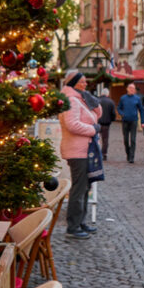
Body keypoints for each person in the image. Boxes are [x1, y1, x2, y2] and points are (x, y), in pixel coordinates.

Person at [58, 70, 102, 240]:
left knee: (85, 187)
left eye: (85, 81)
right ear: (74, 83)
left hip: (85, 150)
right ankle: (73, 226)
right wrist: (93, 130)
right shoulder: (71, 100)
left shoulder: (79, 99)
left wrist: (94, 103)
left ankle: (80, 221)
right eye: (82, 82)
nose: (85, 84)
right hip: (78, 151)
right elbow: (72, 124)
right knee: (79, 187)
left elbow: (97, 115)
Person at [117, 83, 142, 164]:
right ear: (127, 89)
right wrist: (122, 113)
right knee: (126, 140)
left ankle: (132, 157)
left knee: (133, 139)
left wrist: (143, 121)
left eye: (133, 88)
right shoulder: (123, 98)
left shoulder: (137, 99)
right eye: (130, 88)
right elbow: (119, 108)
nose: (132, 89)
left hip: (134, 121)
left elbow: (141, 110)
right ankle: (128, 153)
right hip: (125, 121)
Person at [97, 88, 117, 161]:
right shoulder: (111, 102)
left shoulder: (97, 100)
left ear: (101, 93)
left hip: (97, 123)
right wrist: (112, 120)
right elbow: (113, 113)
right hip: (106, 123)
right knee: (105, 140)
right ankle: (104, 154)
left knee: (97, 139)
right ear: (107, 94)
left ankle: (97, 153)